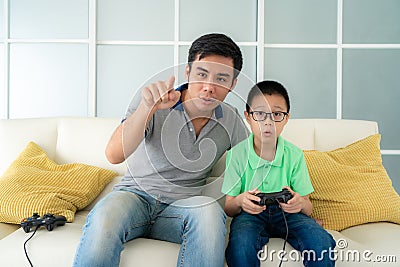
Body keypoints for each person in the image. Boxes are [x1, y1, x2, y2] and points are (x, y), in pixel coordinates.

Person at [73, 33, 248, 267]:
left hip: (182, 210)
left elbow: (254, 168)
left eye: (221, 79)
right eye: (202, 74)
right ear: (188, 73)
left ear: (233, 84)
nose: (208, 87)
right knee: (105, 214)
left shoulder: (231, 120)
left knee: (209, 212)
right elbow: (114, 155)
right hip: (134, 198)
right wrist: (148, 109)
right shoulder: (154, 100)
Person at [221, 80, 336, 267]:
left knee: (320, 241)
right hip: (250, 216)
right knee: (240, 247)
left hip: (289, 214)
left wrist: (299, 203)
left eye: (276, 114)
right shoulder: (236, 154)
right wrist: (241, 201)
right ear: (248, 117)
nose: (268, 121)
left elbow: (307, 206)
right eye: (259, 114)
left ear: (286, 118)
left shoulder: (294, 154)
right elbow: (229, 207)